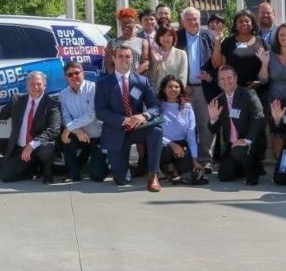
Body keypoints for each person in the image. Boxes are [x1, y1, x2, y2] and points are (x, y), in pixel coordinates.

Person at [94, 46, 163, 190]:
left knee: (156, 130)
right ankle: (127, 169)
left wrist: (144, 115)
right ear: (113, 59)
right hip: (116, 130)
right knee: (120, 180)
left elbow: (156, 106)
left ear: (132, 60)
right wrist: (123, 120)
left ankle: (153, 175)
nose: (124, 59)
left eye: (127, 56)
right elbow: (100, 112)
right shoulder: (102, 83)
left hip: (138, 128)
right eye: (120, 56)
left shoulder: (142, 81)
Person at [0, 72, 61, 184]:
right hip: (20, 148)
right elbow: (1, 115)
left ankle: (47, 172)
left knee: (47, 150)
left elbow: (54, 129)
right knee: (5, 176)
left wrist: (32, 145)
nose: (35, 87)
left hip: (40, 145)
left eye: (39, 84)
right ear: (27, 86)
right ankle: (33, 170)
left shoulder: (52, 104)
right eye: (32, 84)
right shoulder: (17, 100)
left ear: (45, 86)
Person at [208, 66, 265, 184]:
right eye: (222, 79)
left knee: (240, 150)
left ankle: (253, 176)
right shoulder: (217, 101)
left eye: (229, 78)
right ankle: (248, 168)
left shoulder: (249, 94)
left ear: (236, 78)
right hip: (231, 145)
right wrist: (213, 118)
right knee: (224, 175)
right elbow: (213, 129)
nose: (226, 81)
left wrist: (246, 140)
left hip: (251, 141)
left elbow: (259, 117)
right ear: (218, 82)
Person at [176, 7, 217, 170]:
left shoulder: (210, 36)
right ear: (183, 22)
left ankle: (206, 159)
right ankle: (187, 159)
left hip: (204, 88)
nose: (193, 22)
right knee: (184, 125)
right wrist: (181, 85)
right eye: (189, 19)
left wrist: (211, 76)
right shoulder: (176, 38)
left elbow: (219, 62)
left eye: (196, 19)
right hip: (184, 89)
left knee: (205, 124)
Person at [257, 23, 286, 159]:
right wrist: (264, 63)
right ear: (277, 37)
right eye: (282, 35)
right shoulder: (270, 55)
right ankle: (279, 164)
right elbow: (263, 81)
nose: (285, 37)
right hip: (275, 101)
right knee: (277, 133)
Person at [58, 60, 107, 182]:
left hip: (97, 137)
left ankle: (108, 162)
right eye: (70, 74)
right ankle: (73, 174)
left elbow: (91, 115)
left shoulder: (94, 89)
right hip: (79, 135)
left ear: (83, 73)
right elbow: (65, 117)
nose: (74, 76)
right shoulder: (63, 95)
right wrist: (76, 130)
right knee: (65, 139)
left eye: (76, 73)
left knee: (97, 176)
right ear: (66, 78)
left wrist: (69, 128)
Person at [157, 75, 205, 185]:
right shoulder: (158, 107)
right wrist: (172, 144)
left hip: (181, 144)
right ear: (164, 89)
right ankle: (165, 168)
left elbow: (191, 135)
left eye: (176, 87)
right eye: (169, 87)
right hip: (163, 144)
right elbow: (155, 132)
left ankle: (172, 168)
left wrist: (195, 160)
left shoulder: (187, 108)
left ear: (181, 89)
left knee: (187, 165)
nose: (173, 89)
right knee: (164, 151)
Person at [211, 9, 267, 89]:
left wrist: (260, 82)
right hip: (233, 90)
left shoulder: (261, 42)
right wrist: (217, 43)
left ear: (253, 24)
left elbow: (268, 65)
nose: (244, 23)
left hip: (258, 90)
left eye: (247, 21)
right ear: (236, 25)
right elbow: (217, 65)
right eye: (240, 21)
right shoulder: (228, 42)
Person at [104, 7, 150, 76]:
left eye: (129, 22)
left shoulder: (143, 42)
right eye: (123, 22)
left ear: (135, 23)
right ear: (119, 24)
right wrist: (118, 78)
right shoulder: (112, 43)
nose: (126, 25)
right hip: (117, 83)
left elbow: (146, 63)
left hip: (136, 80)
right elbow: (108, 64)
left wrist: (131, 77)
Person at [149, 25, 188, 96]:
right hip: (157, 94)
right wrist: (156, 63)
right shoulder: (153, 53)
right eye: (162, 35)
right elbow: (151, 79)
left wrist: (174, 92)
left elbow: (183, 78)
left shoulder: (181, 54)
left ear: (173, 37)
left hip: (175, 96)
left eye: (169, 35)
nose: (165, 38)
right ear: (158, 37)